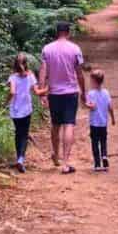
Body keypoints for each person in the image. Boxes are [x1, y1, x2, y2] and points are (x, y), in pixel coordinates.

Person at [38, 21, 85, 175]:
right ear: (68, 32)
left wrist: (42, 92)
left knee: (55, 124)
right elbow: (79, 73)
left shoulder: (47, 49)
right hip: (71, 92)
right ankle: (65, 163)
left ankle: (56, 156)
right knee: (69, 124)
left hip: (54, 93)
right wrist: (83, 92)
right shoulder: (75, 49)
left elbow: (43, 71)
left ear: (56, 32)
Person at [5, 52, 44, 173]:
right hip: (26, 109)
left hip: (15, 110)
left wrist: (5, 102)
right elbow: (37, 92)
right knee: (25, 134)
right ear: (27, 63)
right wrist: (48, 89)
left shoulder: (12, 77)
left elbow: (12, 92)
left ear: (15, 65)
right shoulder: (31, 76)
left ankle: (19, 158)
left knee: (18, 133)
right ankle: (21, 159)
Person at [85, 68, 115, 172]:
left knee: (94, 143)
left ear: (93, 81)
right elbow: (110, 107)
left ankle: (97, 164)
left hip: (94, 123)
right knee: (103, 141)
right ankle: (104, 156)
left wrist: (86, 104)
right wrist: (113, 118)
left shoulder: (91, 93)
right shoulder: (106, 92)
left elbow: (91, 107)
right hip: (103, 123)